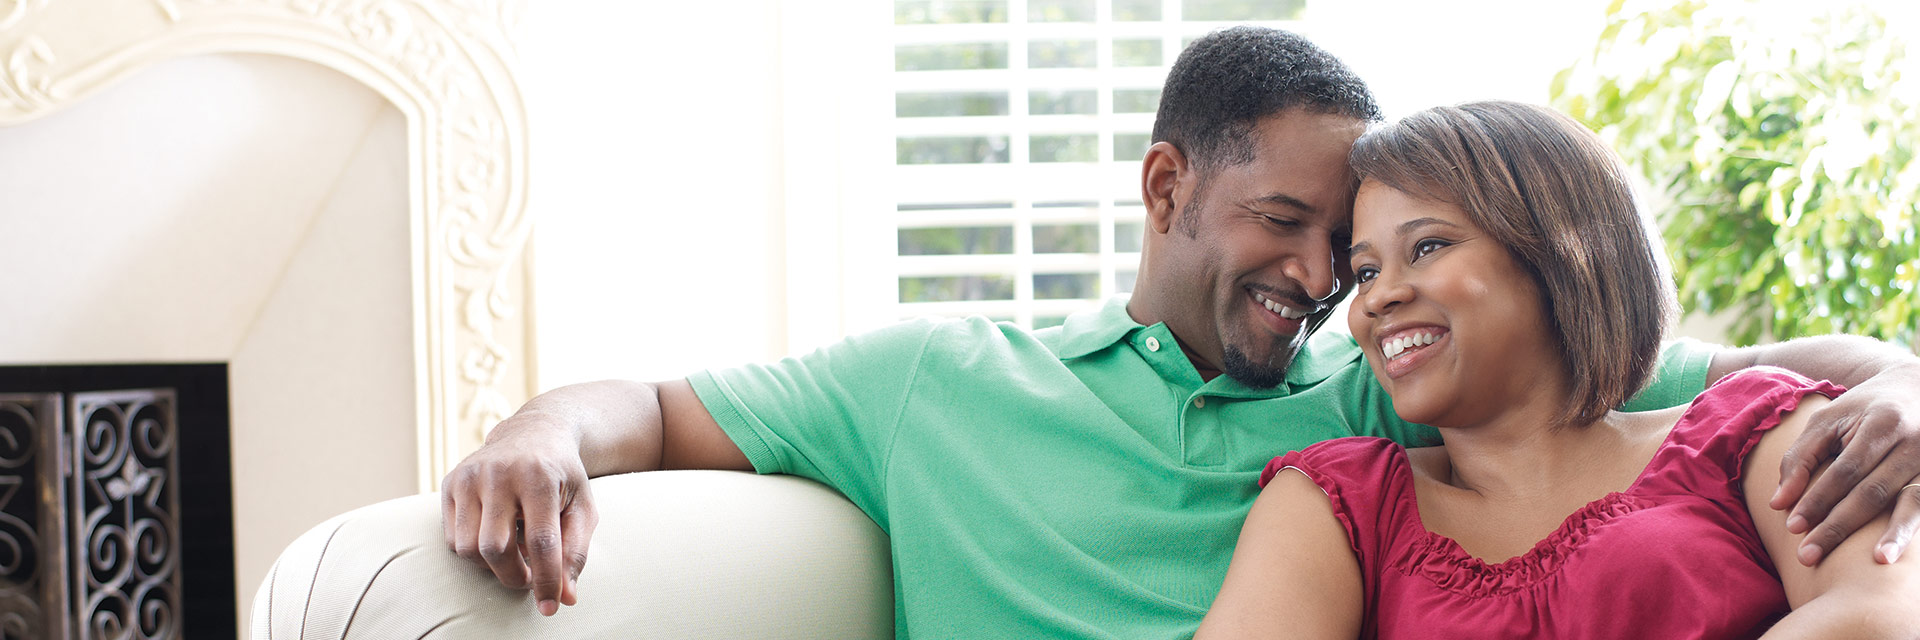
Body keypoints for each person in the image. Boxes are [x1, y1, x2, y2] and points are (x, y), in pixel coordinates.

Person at [444, 27, 1920, 638]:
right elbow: (646, 402)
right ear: (1167, 186)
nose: (1332, 279)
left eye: (1364, 251)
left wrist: (1907, 384)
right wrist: (532, 434)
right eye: (1293, 227)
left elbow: (1743, 381)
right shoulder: (933, 381)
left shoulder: (1391, 399)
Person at [1197, 101, 1920, 639]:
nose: (1377, 297)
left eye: (1427, 248)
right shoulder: (1337, 506)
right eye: (1363, 271)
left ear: (1561, 261)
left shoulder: (1758, 434)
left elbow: (1878, 617)